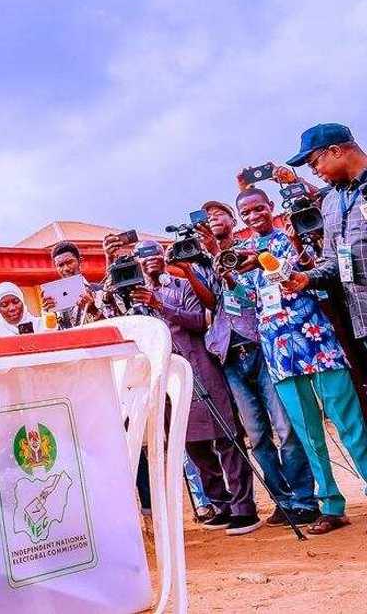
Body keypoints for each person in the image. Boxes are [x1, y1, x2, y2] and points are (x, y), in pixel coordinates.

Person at [234, 185, 367, 534]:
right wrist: (230, 277)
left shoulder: (293, 237)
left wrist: (263, 258)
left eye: (258, 208)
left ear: (270, 206)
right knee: (309, 434)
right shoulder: (242, 255)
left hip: (316, 342)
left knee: (349, 424)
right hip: (279, 351)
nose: (253, 216)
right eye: (246, 213)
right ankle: (331, 505)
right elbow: (247, 302)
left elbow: (303, 276)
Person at [128, 240, 260, 535]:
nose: (150, 259)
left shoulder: (182, 285)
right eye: (142, 256)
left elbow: (200, 321)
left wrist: (159, 305)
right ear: (136, 263)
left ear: (163, 256)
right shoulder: (133, 299)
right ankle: (221, 505)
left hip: (201, 366)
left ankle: (244, 508)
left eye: (155, 253)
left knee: (226, 437)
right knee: (192, 443)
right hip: (166, 377)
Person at [202, 199, 318, 526]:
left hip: (262, 345)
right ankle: (283, 502)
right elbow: (228, 300)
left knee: (285, 428)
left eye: (219, 215)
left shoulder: (252, 247)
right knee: (256, 435)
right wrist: (220, 271)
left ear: (232, 220)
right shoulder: (202, 259)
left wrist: (233, 264)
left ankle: (303, 499)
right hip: (228, 354)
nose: (213, 221)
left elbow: (258, 297)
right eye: (208, 218)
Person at [287, 123, 367, 381]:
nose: (314, 171)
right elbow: (334, 260)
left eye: (314, 163)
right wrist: (307, 277)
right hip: (362, 318)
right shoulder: (330, 202)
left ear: (335, 150)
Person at [41, 240, 98, 328]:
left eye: (69, 262)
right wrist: (47, 313)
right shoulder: (54, 301)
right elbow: (53, 332)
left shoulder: (99, 291)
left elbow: (115, 324)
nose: (66, 268)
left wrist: (93, 310)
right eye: (60, 265)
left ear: (80, 261)